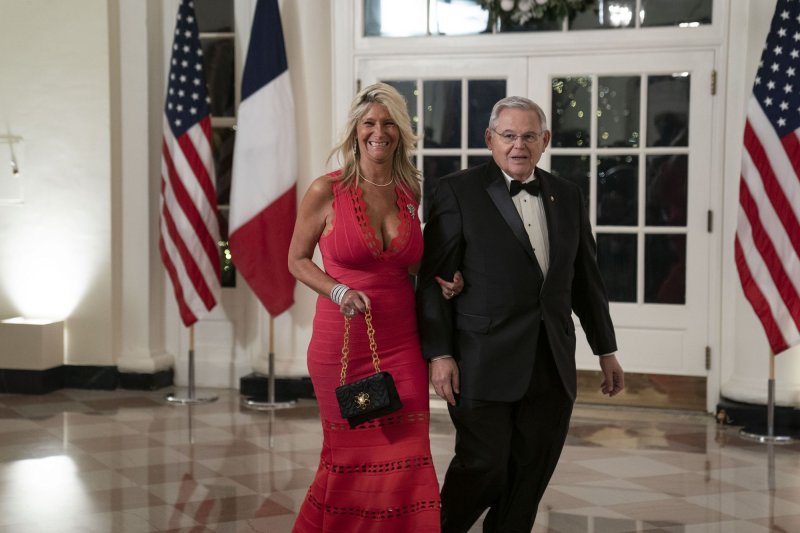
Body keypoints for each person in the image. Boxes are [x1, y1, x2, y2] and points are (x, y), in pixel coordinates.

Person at [416, 96, 625, 533]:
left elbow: (585, 279)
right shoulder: (456, 191)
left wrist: (606, 349)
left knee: (530, 474)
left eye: (529, 135)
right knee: (484, 463)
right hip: (480, 360)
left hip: (550, 361)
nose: (518, 145)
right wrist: (438, 354)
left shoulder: (566, 194)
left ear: (545, 140)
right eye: (508, 135)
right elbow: (433, 282)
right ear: (489, 139)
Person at [288, 82, 460, 532]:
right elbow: (296, 260)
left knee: (407, 455)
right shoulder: (326, 190)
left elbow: (412, 261)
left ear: (400, 132)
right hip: (340, 342)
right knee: (349, 457)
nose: (378, 132)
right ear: (355, 132)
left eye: (388, 124)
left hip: (402, 342)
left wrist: (442, 276)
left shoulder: (410, 191)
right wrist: (339, 291)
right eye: (369, 123)